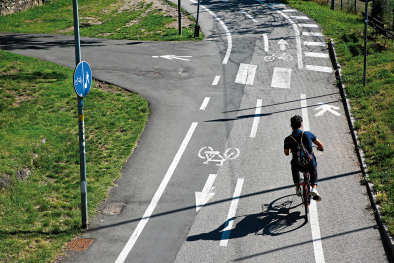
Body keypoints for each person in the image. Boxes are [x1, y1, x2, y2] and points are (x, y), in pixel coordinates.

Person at [284, 115, 324, 201]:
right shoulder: (307, 134)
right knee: (313, 168)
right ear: (300, 125)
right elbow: (320, 145)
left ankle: (298, 188)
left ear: (291, 126)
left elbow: (286, 153)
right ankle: (314, 188)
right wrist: (320, 148)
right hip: (309, 164)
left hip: (298, 165)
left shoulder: (288, 139)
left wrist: (291, 151)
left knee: (293, 166)